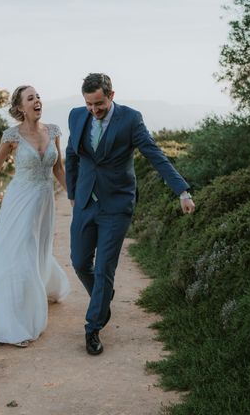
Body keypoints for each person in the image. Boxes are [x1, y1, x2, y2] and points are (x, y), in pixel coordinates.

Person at [66, 73, 195, 355]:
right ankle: (104, 296)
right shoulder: (76, 116)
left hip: (116, 206)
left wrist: (182, 192)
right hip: (86, 202)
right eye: (89, 104)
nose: (94, 111)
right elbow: (72, 155)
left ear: (111, 95)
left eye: (99, 104)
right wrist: (73, 194)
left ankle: (93, 327)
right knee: (78, 261)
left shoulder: (131, 119)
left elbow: (155, 155)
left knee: (104, 268)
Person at [0, 85, 70, 347]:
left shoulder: (53, 131)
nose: (37, 100)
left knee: (38, 248)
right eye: (31, 98)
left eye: (39, 96)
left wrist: (74, 196)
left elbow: (59, 168)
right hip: (19, 201)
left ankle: (43, 287)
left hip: (44, 201)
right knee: (19, 252)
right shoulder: (12, 136)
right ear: (20, 107)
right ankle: (17, 320)